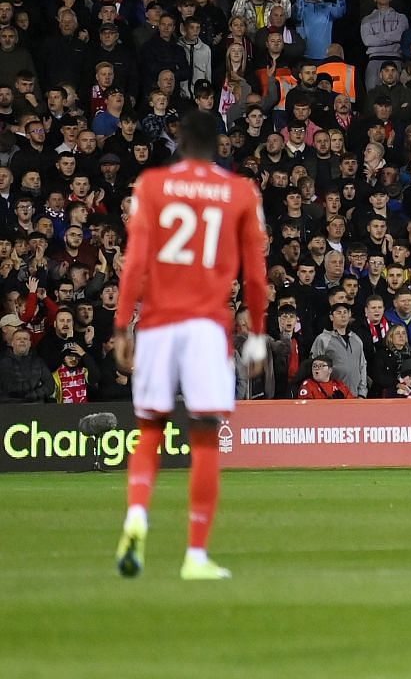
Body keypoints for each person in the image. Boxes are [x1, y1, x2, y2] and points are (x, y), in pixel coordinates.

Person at [112, 110, 268, 582]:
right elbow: (255, 273)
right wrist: (257, 332)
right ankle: (195, 555)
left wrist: (123, 325)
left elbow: (135, 260)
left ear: (178, 141)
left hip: (158, 322)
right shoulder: (240, 191)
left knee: (150, 428)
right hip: (207, 327)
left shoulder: (151, 185)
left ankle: (137, 513)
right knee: (204, 439)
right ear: (218, 145)